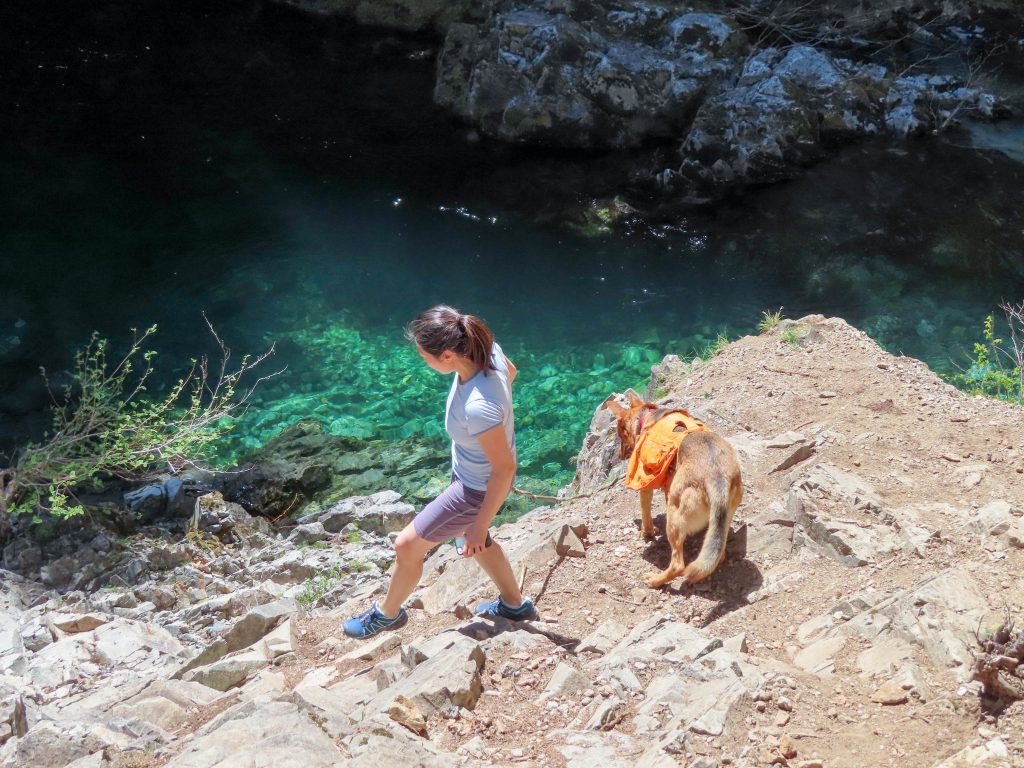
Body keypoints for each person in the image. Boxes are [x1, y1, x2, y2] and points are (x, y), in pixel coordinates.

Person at [342, 305, 535, 638]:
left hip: (473, 489)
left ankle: (387, 614)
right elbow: (511, 373)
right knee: (475, 540)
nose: (423, 362)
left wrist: (479, 522)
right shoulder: (490, 353)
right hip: (471, 475)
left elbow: (504, 469)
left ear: (447, 355)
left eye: (424, 357)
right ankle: (515, 605)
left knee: (406, 547)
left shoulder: (479, 407)